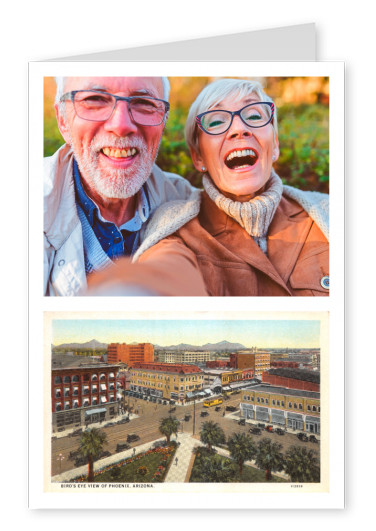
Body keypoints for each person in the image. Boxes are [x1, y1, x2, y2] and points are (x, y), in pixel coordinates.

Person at [87, 78, 329, 296]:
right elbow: (166, 270)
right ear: (198, 157)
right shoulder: (177, 229)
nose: (239, 129)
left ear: (274, 144)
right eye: (216, 121)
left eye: (254, 116)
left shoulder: (328, 213)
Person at [44, 76, 198, 296]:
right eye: (95, 99)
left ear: (163, 121)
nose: (121, 125)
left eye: (144, 103)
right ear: (62, 120)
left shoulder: (187, 204)